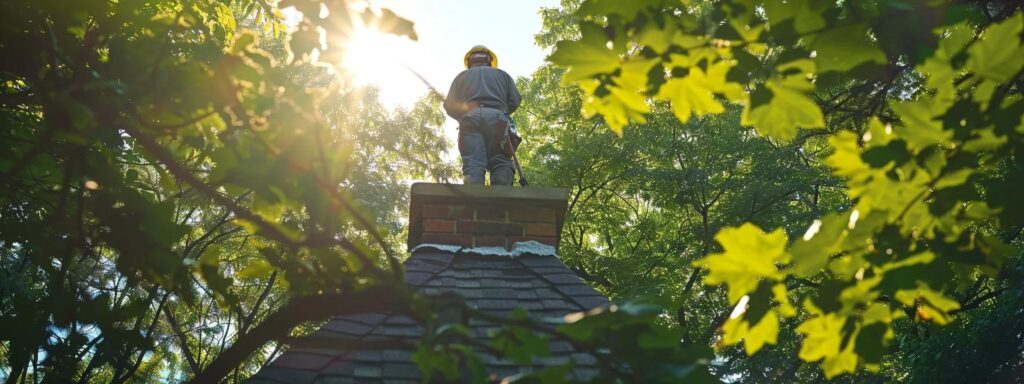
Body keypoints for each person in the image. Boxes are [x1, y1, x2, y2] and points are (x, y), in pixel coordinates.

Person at [444, 45, 522, 185]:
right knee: (501, 162)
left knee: (473, 164)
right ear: (489, 61)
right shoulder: (502, 75)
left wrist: (464, 115)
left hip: (470, 120)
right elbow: (515, 100)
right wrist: (500, 111)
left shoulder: (461, 77)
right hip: (498, 119)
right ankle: (501, 200)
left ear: (469, 62)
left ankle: (473, 202)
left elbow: (449, 106)